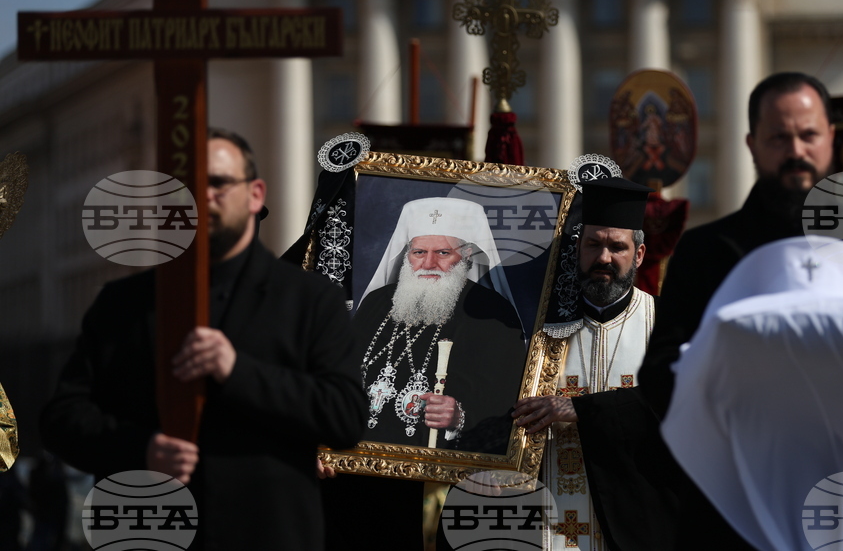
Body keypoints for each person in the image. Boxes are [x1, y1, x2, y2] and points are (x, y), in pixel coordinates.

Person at [639, 71, 843, 549]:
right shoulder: (707, 252)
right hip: (738, 513)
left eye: (808, 135)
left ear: (830, 138)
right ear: (752, 143)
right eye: (779, 137)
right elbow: (660, 377)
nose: (796, 150)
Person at [40, 128, 366, 551]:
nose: (202, 197)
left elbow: (344, 416)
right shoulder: (122, 303)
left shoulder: (309, 299)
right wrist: (142, 449)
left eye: (218, 183)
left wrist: (238, 371)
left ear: (254, 195)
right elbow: (62, 418)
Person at [512, 177, 673, 551]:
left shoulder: (668, 325)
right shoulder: (535, 328)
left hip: (641, 526)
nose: (603, 258)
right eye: (593, 244)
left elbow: (683, 405)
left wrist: (582, 409)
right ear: (578, 248)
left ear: (640, 255)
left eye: (617, 247)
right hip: (546, 531)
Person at [353, 196, 525, 451]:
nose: (428, 264)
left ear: (466, 254)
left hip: (435, 469)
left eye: (443, 253)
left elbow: (504, 399)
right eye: (419, 253)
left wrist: (459, 417)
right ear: (407, 255)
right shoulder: (376, 303)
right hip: (355, 461)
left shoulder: (491, 312)